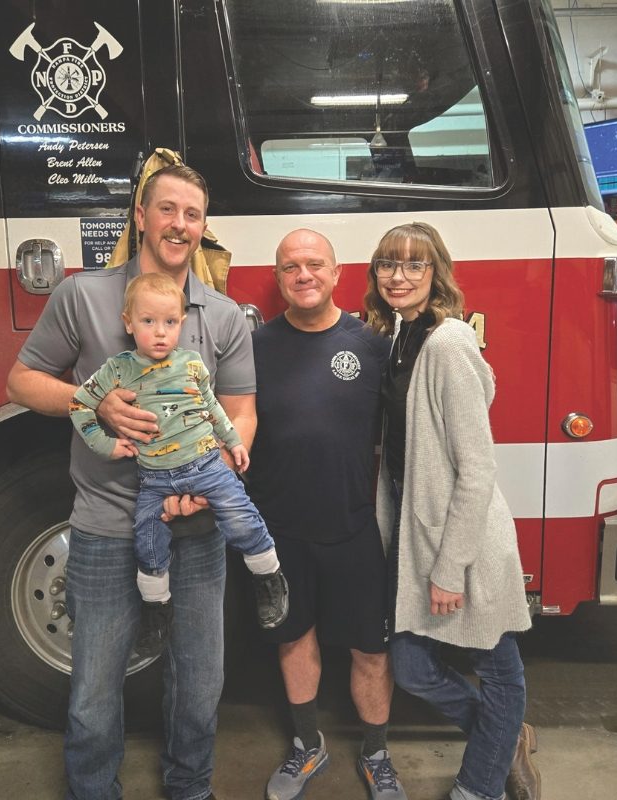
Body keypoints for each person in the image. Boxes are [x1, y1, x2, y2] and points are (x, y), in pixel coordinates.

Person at [7, 163, 255, 800]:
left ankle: (190, 789)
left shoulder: (224, 316)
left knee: (200, 690)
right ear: (140, 217)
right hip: (104, 526)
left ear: (203, 228)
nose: (179, 224)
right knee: (92, 691)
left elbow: (242, 411)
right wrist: (92, 405)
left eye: (192, 214)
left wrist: (216, 475)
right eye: (167, 209)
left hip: (198, 530)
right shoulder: (82, 297)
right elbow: (22, 381)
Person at [366, 221, 541, 800]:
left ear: (435, 272)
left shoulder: (448, 343)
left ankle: (479, 785)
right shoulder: (401, 335)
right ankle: (504, 735)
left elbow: (477, 467)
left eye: (414, 265)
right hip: (419, 537)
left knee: (497, 666)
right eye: (388, 264)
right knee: (412, 668)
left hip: (461, 542)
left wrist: (449, 566)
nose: (399, 276)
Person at [248, 229, 406, 800]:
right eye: (290, 266)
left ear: (339, 274)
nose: (303, 274)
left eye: (315, 264)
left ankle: (377, 752)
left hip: (353, 528)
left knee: (371, 648)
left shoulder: (371, 344)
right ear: (279, 278)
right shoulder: (256, 347)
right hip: (280, 532)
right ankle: (307, 746)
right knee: (294, 640)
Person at [68, 272, 288, 657]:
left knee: (241, 519)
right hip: (154, 478)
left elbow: (214, 408)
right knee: (147, 541)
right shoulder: (117, 370)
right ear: (128, 323)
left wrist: (234, 441)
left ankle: (269, 577)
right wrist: (105, 443)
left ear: (181, 324)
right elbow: (79, 405)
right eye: (148, 321)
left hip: (207, 465)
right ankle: (158, 610)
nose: (159, 333)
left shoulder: (192, 364)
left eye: (169, 322)